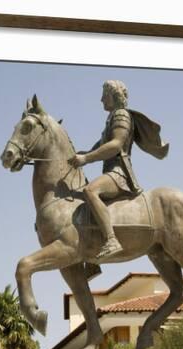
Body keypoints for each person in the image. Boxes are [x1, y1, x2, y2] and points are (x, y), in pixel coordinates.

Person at [69, 80, 142, 260]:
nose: (101, 99)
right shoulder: (111, 118)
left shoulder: (121, 115)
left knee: (90, 191)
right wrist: (82, 155)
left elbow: (116, 145)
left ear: (114, 95)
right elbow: (100, 146)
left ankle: (111, 240)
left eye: (105, 95)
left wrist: (86, 158)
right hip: (110, 172)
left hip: (119, 174)